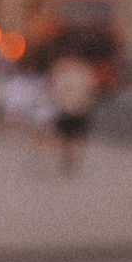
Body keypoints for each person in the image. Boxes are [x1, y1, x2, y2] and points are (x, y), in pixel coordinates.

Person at [46, 43, 96, 171]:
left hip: (74, 107)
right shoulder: (66, 69)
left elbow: (88, 89)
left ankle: (71, 157)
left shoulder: (79, 70)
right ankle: (68, 157)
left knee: (72, 135)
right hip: (69, 107)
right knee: (67, 135)